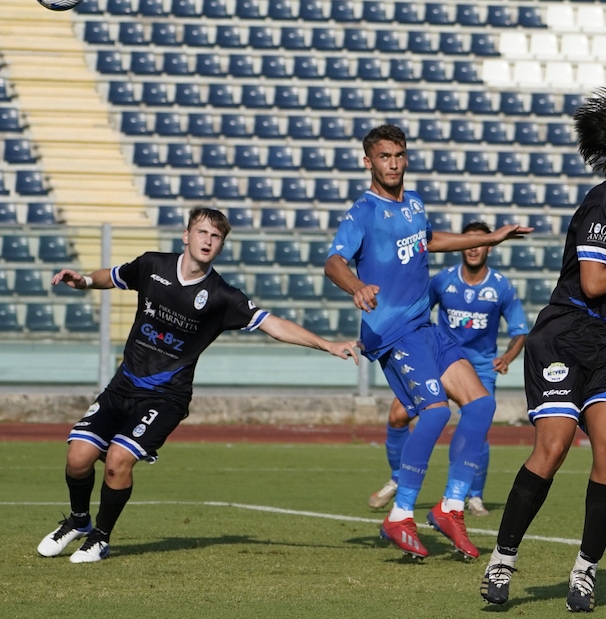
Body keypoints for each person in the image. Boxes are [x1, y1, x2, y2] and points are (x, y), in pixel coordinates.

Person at [36, 207, 358, 563]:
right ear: (186, 236)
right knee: (77, 459)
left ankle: (100, 537)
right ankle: (79, 523)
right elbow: (111, 277)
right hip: (122, 385)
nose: (208, 240)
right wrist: (82, 281)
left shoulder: (221, 295)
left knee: (116, 461)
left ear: (221, 245)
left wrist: (328, 345)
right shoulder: (152, 265)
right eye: (202, 232)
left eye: (216, 236)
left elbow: (273, 324)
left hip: (166, 396)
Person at [476, 83, 606, 611]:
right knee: (551, 449)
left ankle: (584, 572)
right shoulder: (602, 202)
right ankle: (502, 560)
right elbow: (595, 282)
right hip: (566, 336)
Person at [325, 124, 531, 560]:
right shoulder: (363, 211)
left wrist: (487, 237)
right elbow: (334, 261)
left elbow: (429, 241)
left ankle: (451, 506)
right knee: (435, 413)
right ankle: (401, 514)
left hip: (427, 328)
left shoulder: (415, 202)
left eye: (399, 155)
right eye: (384, 156)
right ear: (369, 162)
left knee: (480, 404)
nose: (394, 163)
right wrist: (356, 286)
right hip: (393, 332)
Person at [367, 221, 529, 518]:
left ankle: (474, 496)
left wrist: (508, 356)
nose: (475, 247)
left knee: (477, 430)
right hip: (437, 360)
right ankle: (397, 477)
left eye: (481, 242)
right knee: (397, 415)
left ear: (490, 246)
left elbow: (520, 330)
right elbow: (416, 312)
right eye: (469, 241)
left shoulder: (501, 287)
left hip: (479, 366)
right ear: (461, 244)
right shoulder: (443, 281)